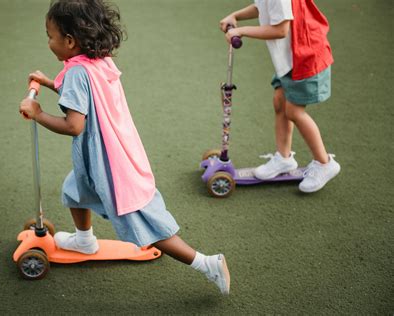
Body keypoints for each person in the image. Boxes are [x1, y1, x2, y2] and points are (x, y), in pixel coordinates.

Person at [19, 0, 230, 294]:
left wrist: (38, 112)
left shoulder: (78, 73)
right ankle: (84, 241)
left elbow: (74, 125)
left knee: (145, 226)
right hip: (107, 154)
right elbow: (82, 94)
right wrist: (50, 82)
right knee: (74, 190)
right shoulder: (97, 61)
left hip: (110, 165)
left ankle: (206, 263)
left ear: (69, 41)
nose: (49, 42)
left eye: (50, 35)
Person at [220, 0, 340, 193]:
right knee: (279, 102)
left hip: (305, 57)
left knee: (294, 112)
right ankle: (284, 159)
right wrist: (236, 16)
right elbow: (262, 7)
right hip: (289, 59)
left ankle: (324, 163)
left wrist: (242, 31)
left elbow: (280, 30)